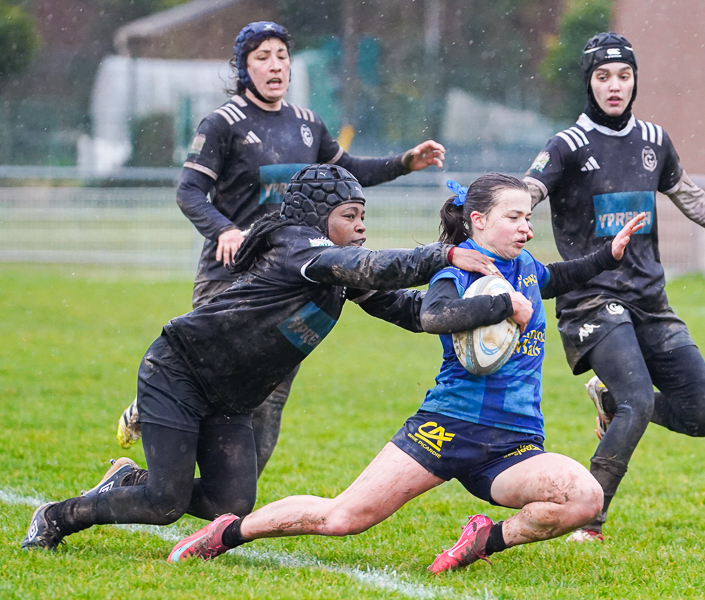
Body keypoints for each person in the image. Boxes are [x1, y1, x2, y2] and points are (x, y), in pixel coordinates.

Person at [166, 173, 647, 572]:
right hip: (444, 428)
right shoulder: (455, 276)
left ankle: (483, 541)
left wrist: (610, 255)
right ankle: (226, 532)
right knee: (344, 517)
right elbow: (436, 317)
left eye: (529, 218)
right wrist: (502, 305)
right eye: (515, 217)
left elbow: (558, 277)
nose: (527, 228)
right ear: (478, 221)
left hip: (512, 441)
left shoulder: (525, 268)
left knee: (584, 499)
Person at [21, 165, 499, 552]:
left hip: (231, 398)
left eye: (362, 216)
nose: (361, 227)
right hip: (179, 373)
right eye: (350, 215)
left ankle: (127, 479)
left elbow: (413, 312)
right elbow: (370, 265)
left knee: (229, 504)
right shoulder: (299, 246)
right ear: (318, 217)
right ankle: (57, 515)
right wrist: (444, 254)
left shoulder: (335, 268)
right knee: (163, 504)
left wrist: (486, 309)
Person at [114, 21, 449, 476]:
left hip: (296, 282)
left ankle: (228, 505)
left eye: (281, 56)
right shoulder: (222, 123)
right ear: (242, 67)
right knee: (208, 376)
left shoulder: (308, 124)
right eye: (262, 57)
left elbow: (347, 172)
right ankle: (155, 409)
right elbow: (189, 191)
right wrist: (225, 230)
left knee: (266, 396)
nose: (275, 65)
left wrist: (404, 163)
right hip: (231, 275)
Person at [522, 32, 705, 542]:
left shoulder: (654, 140)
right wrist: (498, 223)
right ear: (588, 82)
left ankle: (610, 405)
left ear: (634, 81)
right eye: (603, 76)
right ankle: (591, 520)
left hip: (650, 300)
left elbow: (693, 199)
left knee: (704, 413)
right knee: (639, 401)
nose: (614, 86)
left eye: (623, 76)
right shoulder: (568, 145)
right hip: (592, 300)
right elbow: (528, 191)